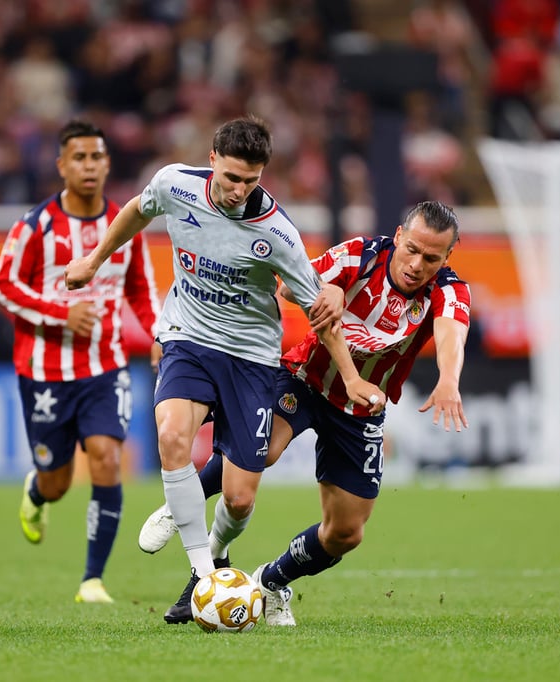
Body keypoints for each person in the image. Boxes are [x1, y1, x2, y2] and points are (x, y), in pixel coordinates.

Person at [63, 116, 385, 624]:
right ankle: (204, 575)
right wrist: (94, 260)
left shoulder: (277, 234)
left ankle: (209, 556)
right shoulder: (176, 184)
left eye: (250, 181)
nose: (238, 190)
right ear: (212, 158)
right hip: (187, 338)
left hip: (251, 360)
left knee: (237, 499)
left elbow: (322, 315)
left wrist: (350, 377)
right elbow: (135, 210)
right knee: (172, 436)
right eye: (231, 177)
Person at [137, 201, 472, 626]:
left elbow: (451, 334)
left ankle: (271, 583)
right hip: (303, 379)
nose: (417, 264)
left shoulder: (449, 289)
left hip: (360, 409)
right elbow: (289, 287)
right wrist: (323, 290)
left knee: (346, 533)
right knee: (262, 452)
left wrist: (448, 379)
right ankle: (182, 503)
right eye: (412, 250)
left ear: (446, 258)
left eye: (432, 258)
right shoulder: (360, 255)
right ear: (399, 236)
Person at [0, 119, 162, 604]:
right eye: (79, 158)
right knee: (58, 480)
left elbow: (141, 291)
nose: (88, 166)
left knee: (108, 457)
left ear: (108, 164)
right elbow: (2, 286)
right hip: (44, 373)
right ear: (62, 165)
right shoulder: (35, 226)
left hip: (106, 368)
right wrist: (62, 314)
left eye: (97, 157)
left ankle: (92, 580)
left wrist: (158, 335)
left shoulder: (125, 226)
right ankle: (39, 492)